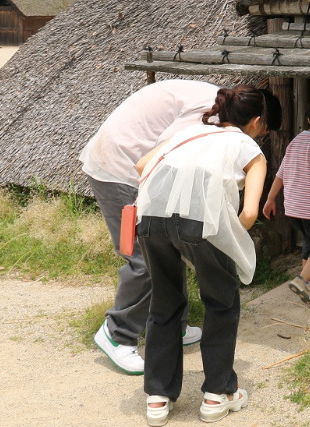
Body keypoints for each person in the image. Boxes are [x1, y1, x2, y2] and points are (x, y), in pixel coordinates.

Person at [133, 85, 272, 426]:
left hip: (150, 219)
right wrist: (229, 236)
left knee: (164, 304)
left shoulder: (189, 133)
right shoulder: (249, 148)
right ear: (256, 121)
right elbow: (250, 213)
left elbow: (141, 166)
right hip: (201, 224)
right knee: (221, 302)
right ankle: (216, 394)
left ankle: (157, 398)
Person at [80, 80, 226, 374]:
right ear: (257, 121)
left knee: (170, 248)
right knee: (143, 259)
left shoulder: (216, 103)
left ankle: (176, 325)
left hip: (136, 165)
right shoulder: (211, 109)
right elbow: (168, 148)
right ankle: (117, 333)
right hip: (119, 168)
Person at [262, 95, 310, 307]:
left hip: (292, 207)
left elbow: (281, 173)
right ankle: (302, 280)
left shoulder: (296, 141)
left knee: (309, 239)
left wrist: (270, 199)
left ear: (308, 120)